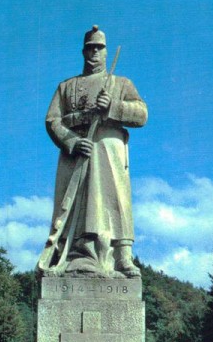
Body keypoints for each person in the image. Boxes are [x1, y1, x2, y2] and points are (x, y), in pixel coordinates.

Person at [37, 25, 147, 278]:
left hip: (109, 150)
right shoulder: (67, 86)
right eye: (90, 48)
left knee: (115, 200)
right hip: (75, 153)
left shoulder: (121, 83)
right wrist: (72, 142)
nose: (94, 52)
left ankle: (121, 257)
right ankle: (77, 254)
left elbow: (141, 114)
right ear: (83, 51)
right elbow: (52, 120)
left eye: (99, 48)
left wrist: (113, 106)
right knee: (74, 203)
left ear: (106, 52)